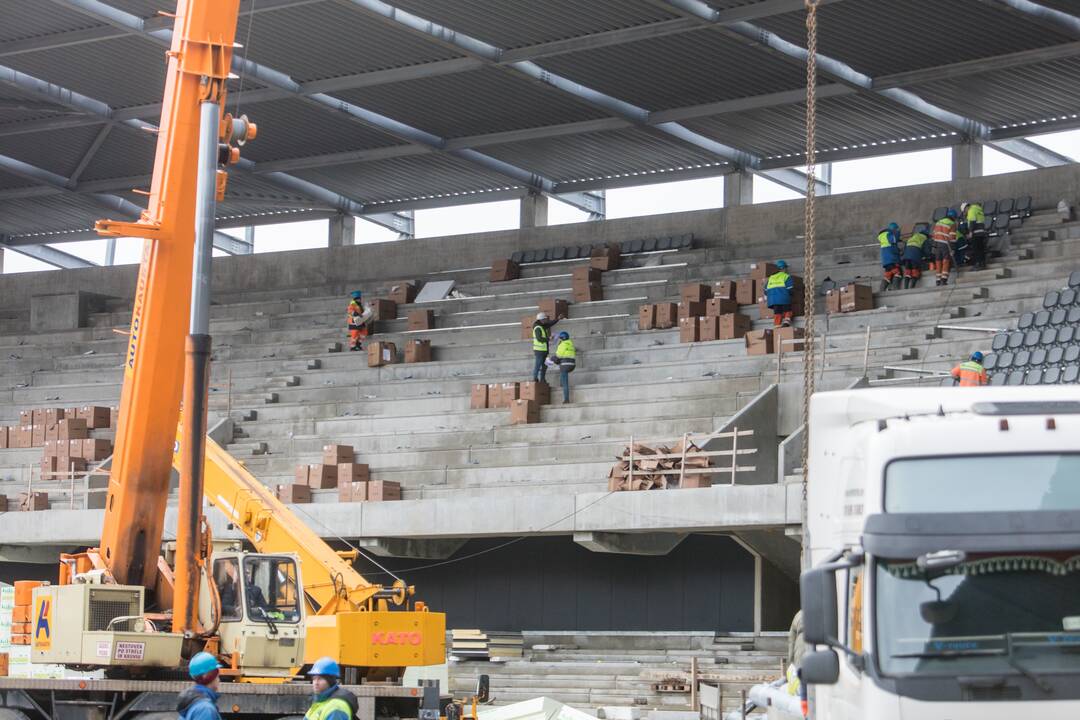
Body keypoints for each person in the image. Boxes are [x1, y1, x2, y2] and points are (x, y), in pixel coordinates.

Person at [177, 652, 223, 720]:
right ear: (209, 677)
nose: (219, 680)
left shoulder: (193, 702)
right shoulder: (205, 709)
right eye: (217, 676)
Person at [930, 209, 958, 286]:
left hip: (937, 245)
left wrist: (934, 246)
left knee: (938, 262)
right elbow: (952, 238)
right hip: (946, 245)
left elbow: (934, 235)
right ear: (954, 217)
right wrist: (952, 249)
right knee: (946, 262)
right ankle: (944, 280)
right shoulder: (952, 223)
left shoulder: (938, 222)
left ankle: (938, 281)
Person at [765, 260, 796, 327]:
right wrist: (793, 295)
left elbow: (765, 290)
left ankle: (777, 325)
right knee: (788, 310)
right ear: (784, 268)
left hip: (773, 300)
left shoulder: (771, 277)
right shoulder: (786, 276)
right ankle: (786, 322)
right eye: (786, 268)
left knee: (777, 313)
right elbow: (790, 289)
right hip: (784, 298)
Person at [530, 311, 559, 383]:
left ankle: (542, 379)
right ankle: (535, 379)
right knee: (538, 364)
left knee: (545, 366)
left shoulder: (542, 326)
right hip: (539, 350)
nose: (546, 320)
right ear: (541, 320)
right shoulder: (538, 328)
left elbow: (549, 324)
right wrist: (549, 338)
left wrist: (557, 319)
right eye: (545, 319)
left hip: (544, 350)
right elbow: (539, 339)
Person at [962, 201, 988, 270]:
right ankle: (983, 264)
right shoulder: (978, 210)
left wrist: (970, 232)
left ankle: (978, 264)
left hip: (975, 233)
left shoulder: (971, 211)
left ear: (966, 207)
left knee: (976, 249)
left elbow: (972, 221)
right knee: (981, 249)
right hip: (981, 232)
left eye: (965, 210)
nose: (965, 212)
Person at [878, 223, 902, 292]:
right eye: (896, 230)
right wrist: (898, 232)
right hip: (891, 259)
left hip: (886, 260)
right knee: (897, 273)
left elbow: (890, 247)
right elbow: (894, 239)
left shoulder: (882, 236)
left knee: (887, 275)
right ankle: (895, 291)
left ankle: (881, 291)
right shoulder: (888, 234)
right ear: (894, 229)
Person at [553, 331, 576, 403]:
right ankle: (561, 383)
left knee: (565, 382)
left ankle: (566, 399)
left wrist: (552, 360)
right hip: (572, 364)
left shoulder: (562, 344)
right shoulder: (571, 344)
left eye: (560, 338)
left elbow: (558, 356)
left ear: (562, 338)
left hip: (565, 364)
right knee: (562, 373)